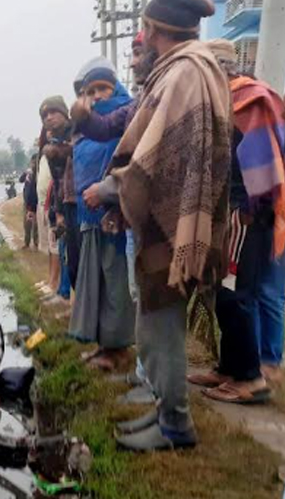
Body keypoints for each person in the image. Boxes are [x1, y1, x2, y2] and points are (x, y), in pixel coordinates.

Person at [111, 0, 231, 451]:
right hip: (175, 221)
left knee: (162, 328)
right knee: (155, 325)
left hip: (173, 228)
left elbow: (154, 159)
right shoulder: (189, 68)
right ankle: (165, 411)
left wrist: (113, 188)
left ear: (154, 28)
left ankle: (176, 426)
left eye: (144, 28)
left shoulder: (184, 73)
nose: (141, 39)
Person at [187, 45, 284, 404]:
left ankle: (250, 379)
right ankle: (229, 367)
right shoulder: (218, 103)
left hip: (246, 215)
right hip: (226, 213)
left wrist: (245, 213)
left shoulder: (248, 100)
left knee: (237, 294)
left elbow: (264, 166)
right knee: (222, 292)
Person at [69, 66, 135, 371]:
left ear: (116, 88)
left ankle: (119, 348)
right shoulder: (86, 129)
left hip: (117, 216)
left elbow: (130, 166)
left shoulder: (128, 117)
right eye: (90, 92)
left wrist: (107, 194)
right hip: (89, 215)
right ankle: (103, 344)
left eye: (102, 89)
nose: (96, 96)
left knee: (115, 283)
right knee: (96, 281)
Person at [38, 97, 71, 294]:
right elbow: (59, 183)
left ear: (64, 113)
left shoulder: (77, 134)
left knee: (71, 255)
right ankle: (62, 291)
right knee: (61, 248)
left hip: (81, 206)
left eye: (53, 112)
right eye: (45, 115)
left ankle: (64, 292)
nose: (49, 118)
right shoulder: (50, 149)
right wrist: (59, 212)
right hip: (61, 206)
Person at [20, 162, 39, 250]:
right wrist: (25, 173)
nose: (32, 165)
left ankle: (36, 242)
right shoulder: (28, 174)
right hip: (26, 202)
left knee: (36, 225)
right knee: (26, 224)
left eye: (34, 163)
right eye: (32, 163)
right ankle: (26, 243)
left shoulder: (37, 175)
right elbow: (20, 180)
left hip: (35, 203)